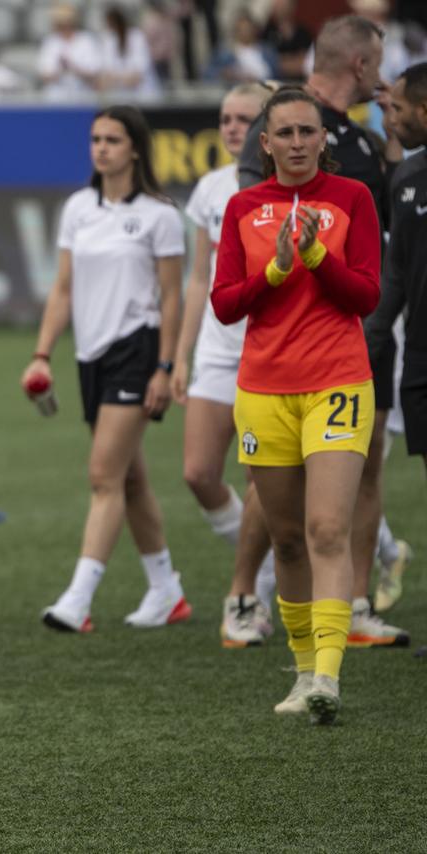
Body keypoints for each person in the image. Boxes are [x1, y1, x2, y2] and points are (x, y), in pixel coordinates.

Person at [238, 15, 410, 649]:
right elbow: (252, 232)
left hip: (363, 327)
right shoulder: (283, 123)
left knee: (366, 466)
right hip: (284, 340)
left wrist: (395, 130)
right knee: (281, 489)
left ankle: (354, 601)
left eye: (305, 134)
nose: (297, 140)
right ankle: (248, 593)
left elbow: (385, 225)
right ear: (361, 66)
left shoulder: (364, 142)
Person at [212, 86, 381, 724]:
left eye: (308, 131)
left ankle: (329, 680)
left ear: (324, 136)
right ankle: (303, 670)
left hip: (337, 381)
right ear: (266, 142)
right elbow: (226, 302)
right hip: (263, 391)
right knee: (285, 541)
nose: (298, 143)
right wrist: (278, 270)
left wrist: (314, 256)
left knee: (326, 530)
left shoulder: (353, 199)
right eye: (285, 134)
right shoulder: (242, 208)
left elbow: (365, 296)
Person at [24, 106, 186, 634]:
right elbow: (64, 288)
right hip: (89, 355)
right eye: (95, 139)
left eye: (112, 139)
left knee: (102, 476)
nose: (101, 148)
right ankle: (167, 590)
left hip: (136, 351)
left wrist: (165, 366)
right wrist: (43, 352)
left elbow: (170, 298)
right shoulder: (78, 208)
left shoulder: (161, 215)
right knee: (130, 477)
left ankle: (79, 598)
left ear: (135, 148)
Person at [173, 82, 278, 648]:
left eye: (245, 117)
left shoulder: (290, 189)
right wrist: (180, 355)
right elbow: (199, 278)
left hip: (271, 350)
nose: (233, 127)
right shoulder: (211, 189)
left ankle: (246, 592)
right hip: (216, 347)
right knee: (197, 473)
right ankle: (269, 566)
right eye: (226, 118)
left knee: (262, 477)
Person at [366, 62, 427, 613]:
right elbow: (397, 276)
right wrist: (372, 338)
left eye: (399, 109)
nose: (392, 118)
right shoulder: (405, 181)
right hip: (423, 361)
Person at [38, 5, 102, 99]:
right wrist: (61, 69)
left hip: (83, 97)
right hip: (56, 98)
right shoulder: (50, 42)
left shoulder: (86, 40)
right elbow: (45, 76)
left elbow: (94, 74)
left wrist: (73, 67)